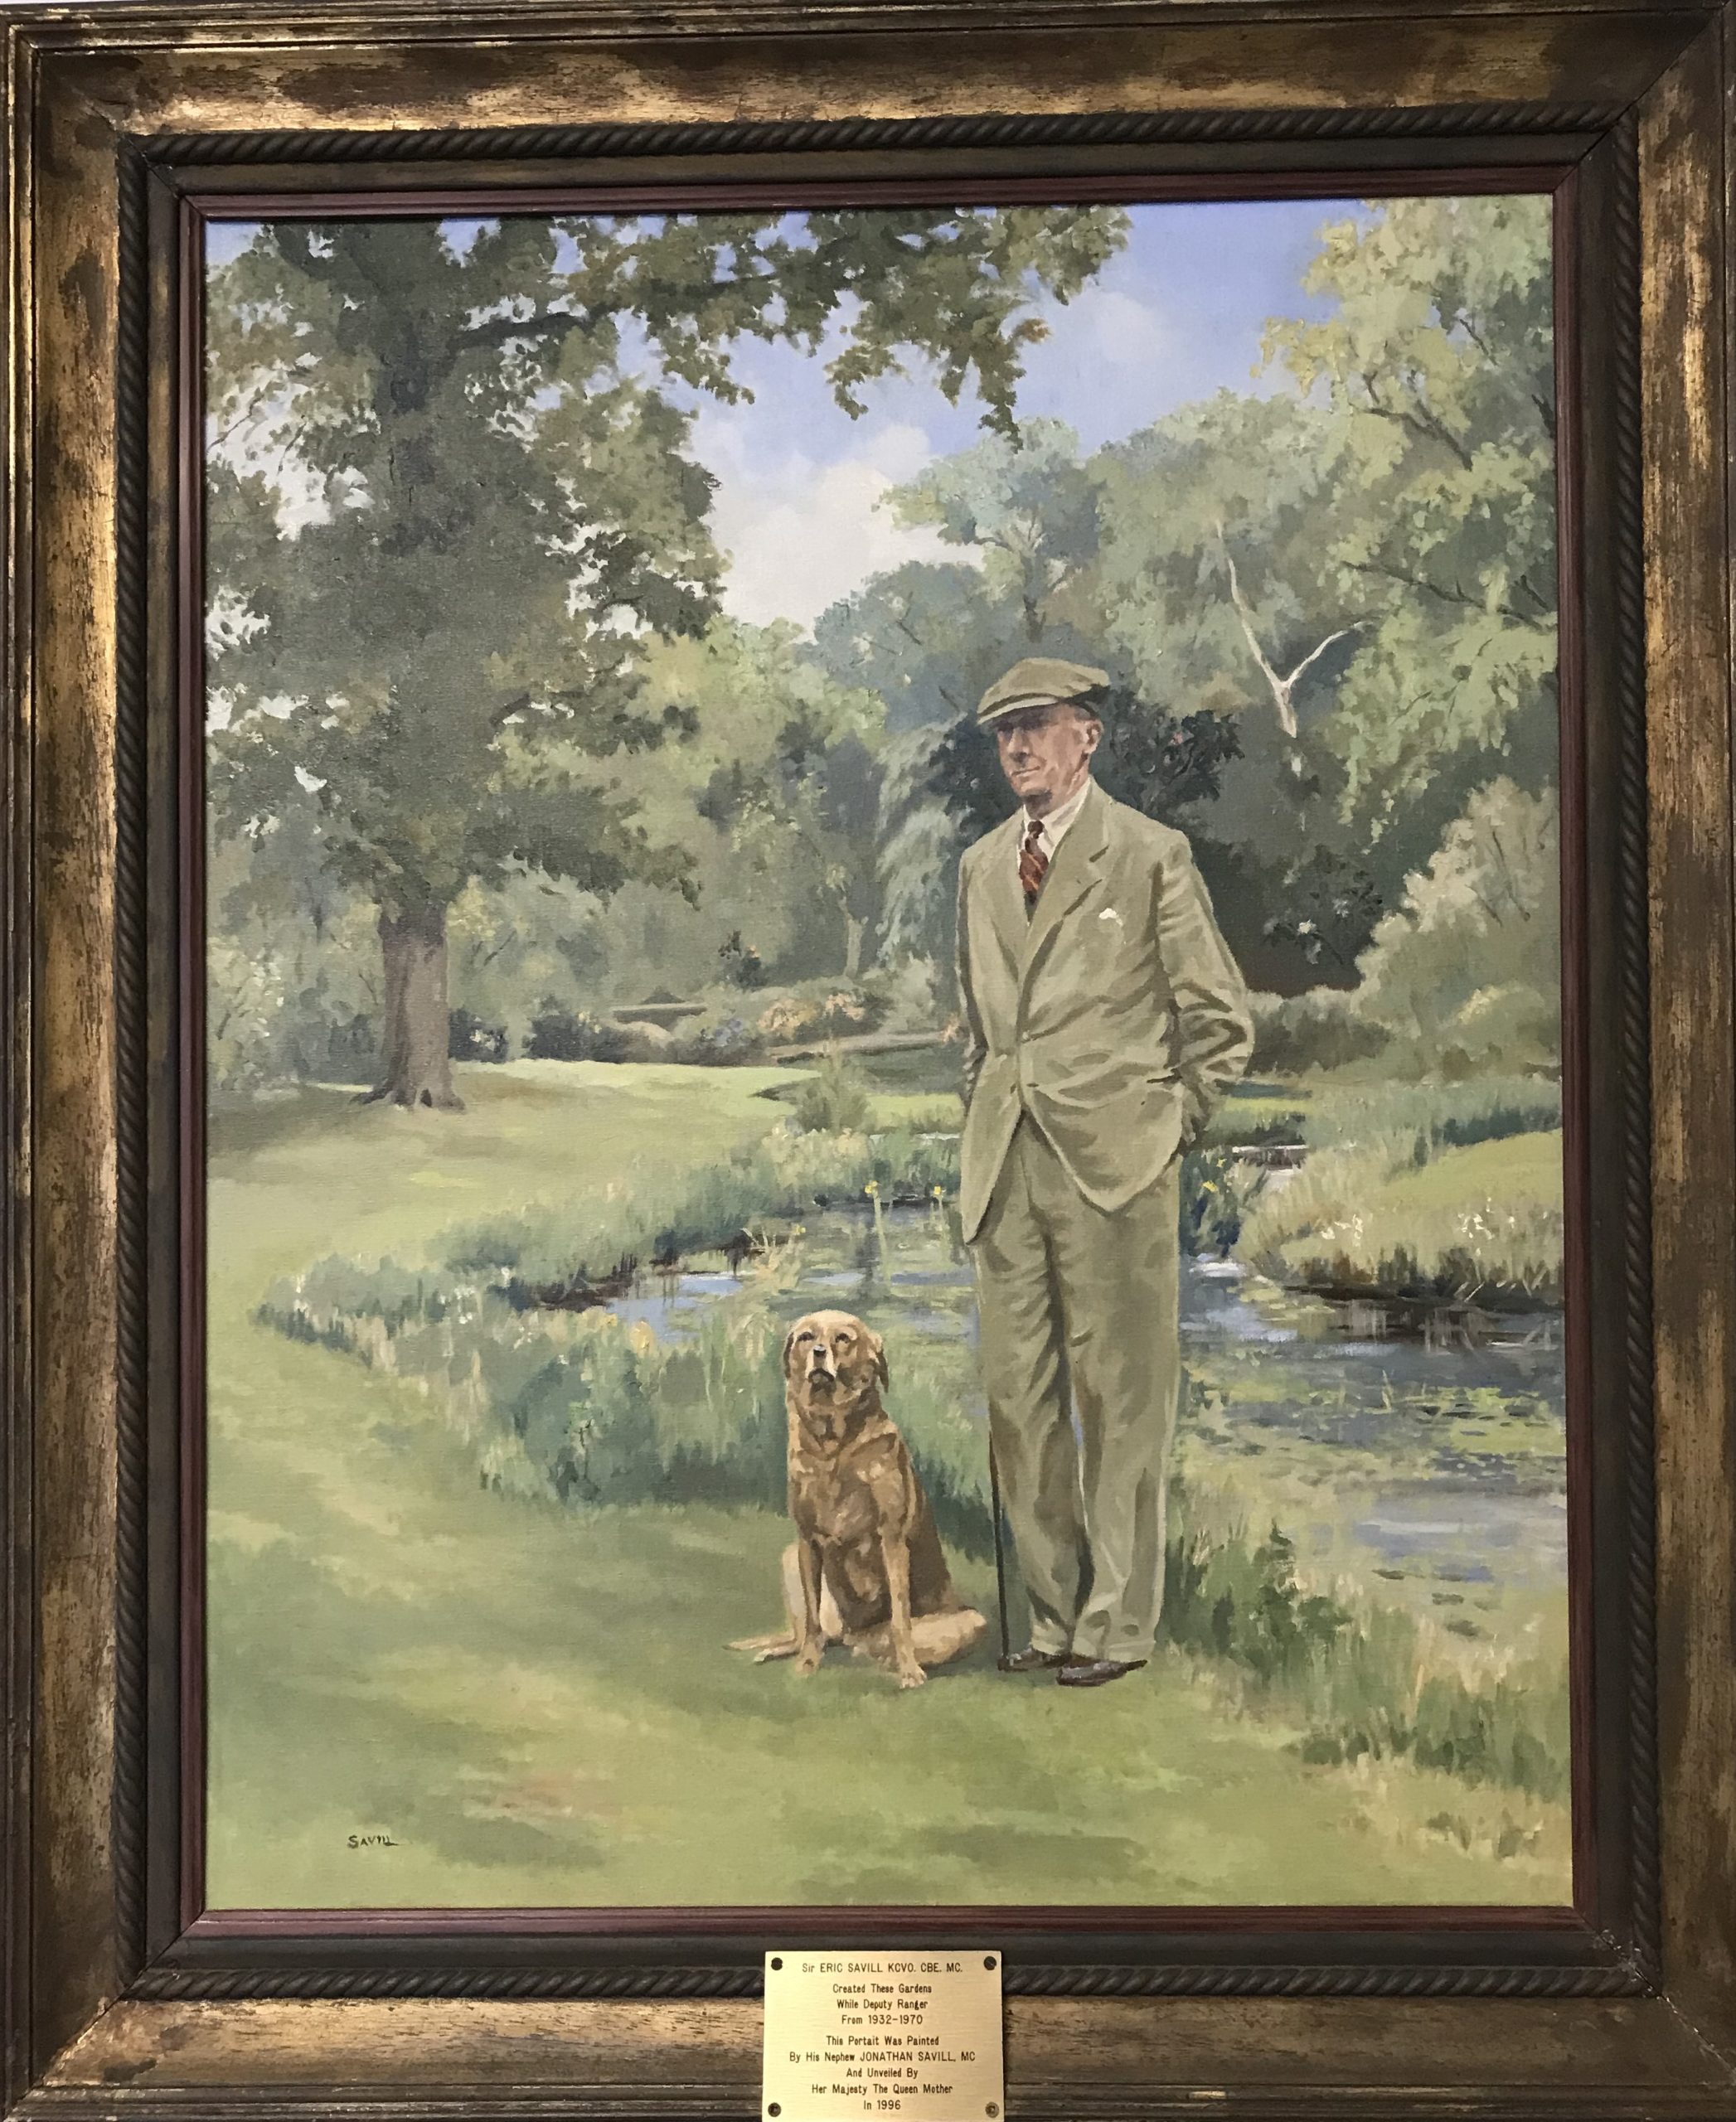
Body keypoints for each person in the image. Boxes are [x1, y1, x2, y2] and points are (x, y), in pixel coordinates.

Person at [954, 657, 1254, 1687]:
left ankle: (1118, 1627)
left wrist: (1168, 1125)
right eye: (1004, 735)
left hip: (1118, 1167)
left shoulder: (1150, 853)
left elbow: (1219, 1022)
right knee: (1017, 1400)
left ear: (1086, 735)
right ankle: (1048, 1618)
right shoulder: (982, 865)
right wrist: (984, 1118)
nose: (1018, 749)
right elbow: (980, 1031)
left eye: (1036, 728)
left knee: (1122, 1401)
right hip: (1006, 1167)